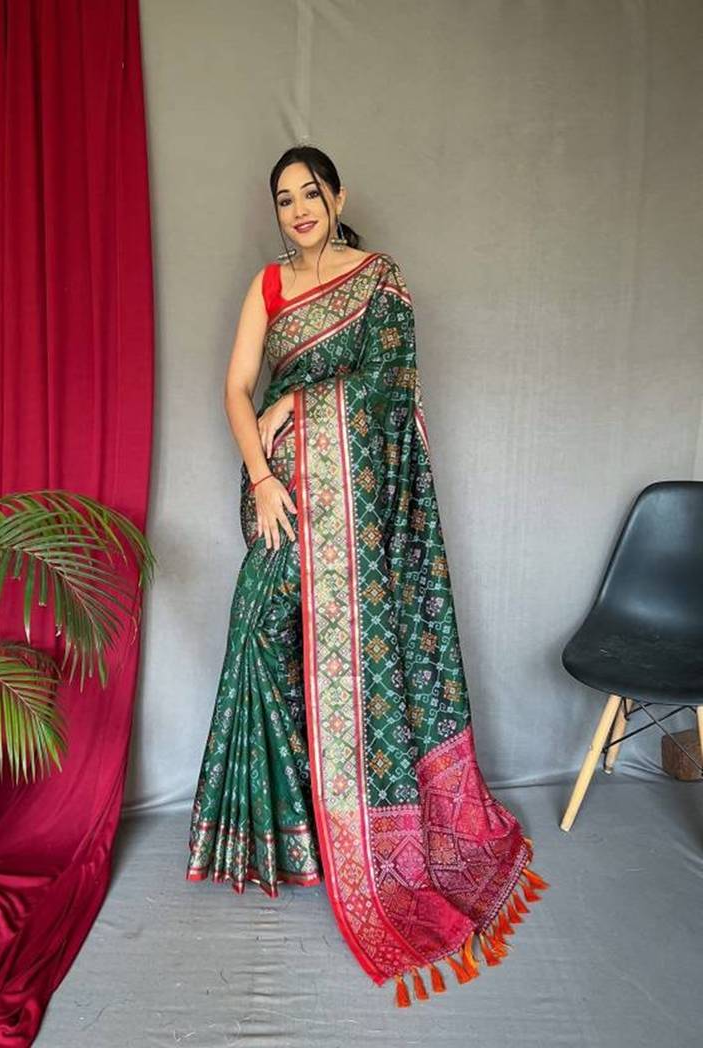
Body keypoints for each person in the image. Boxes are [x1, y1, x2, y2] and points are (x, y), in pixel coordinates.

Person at [186, 145, 548, 1007]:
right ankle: (277, 837)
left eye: (311, 192)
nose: (299, 209)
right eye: (284, 198)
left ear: (338, 196)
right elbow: (236, 388)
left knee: (341, 658)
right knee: (261, 637)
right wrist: (263, 475)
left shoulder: (379, 280)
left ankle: (344, 834)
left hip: (356, 502)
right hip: (281, 494)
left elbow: (388, 392)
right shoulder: (268, 286)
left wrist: (297, 402)